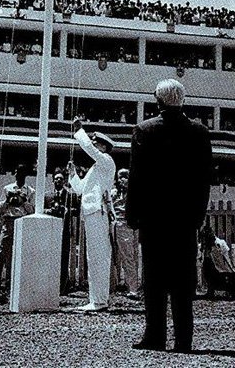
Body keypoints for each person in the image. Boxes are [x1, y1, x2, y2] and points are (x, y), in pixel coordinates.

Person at [127, 78, 212, 353]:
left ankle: (155, 335)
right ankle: (183, 338)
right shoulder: (199, 132)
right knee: (183, 279)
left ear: (158, 101)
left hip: (153, 217)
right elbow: (204, 179)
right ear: (182, 100)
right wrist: (199, 214)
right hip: (185, 217)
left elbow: (137, 178)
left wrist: (132, 213)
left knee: (154, 278)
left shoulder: (144, 130)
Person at [67, 118, 116, 311]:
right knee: (93, 256)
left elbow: (89, 148)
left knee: (98, 256)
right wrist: (73, 174)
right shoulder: (96, 168)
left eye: (96, 143)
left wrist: (80, 131)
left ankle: (99, 301)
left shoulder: (106, 161)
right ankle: (96, 299)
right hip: (91, 211)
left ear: (103, 147)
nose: (93, 145)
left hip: (98, 211)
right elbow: (80, 189)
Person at [0, 163, 34, 304]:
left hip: (23, 221)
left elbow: (32, 210)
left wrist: (23, 200)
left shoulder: (30, 191)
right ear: (15, 174)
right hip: (8, 221)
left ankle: (13, 289)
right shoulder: (7, 188)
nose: (19, 176)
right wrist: (8, 200)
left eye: (22, 173)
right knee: (1, 255)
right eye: (18, 173)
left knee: (20, 257)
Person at [111, 168, 140, 300]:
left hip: (127, 225)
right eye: (119, 177)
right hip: (115, 224)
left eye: (125, 176)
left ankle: (133, 288)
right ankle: (114, 284)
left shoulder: (133, 194)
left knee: (129, 257)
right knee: (113, 257)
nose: (121, 180)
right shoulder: (114, 193)